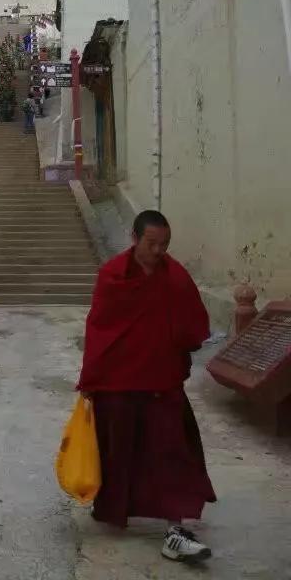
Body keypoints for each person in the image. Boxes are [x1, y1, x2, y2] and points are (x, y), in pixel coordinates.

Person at [77, 210, 216, 564]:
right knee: (120, 451)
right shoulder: (113, 276)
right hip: (119, 382)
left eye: (165, 244)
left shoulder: (175, 277)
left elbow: (194, 322)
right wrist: (91, 379)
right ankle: (114, 507)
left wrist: (182, 339)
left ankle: (176, 527)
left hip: (161, 381)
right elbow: (100, 330)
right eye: (152, 243)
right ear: (135, 239)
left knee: (172, 450)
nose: (158, 251)